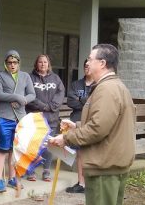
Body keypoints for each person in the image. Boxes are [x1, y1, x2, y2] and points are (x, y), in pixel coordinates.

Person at [49, 44, 135, 205]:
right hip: (110, 165)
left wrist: (66, 138)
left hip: (104, 168)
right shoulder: (115, 87)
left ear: (102, 63)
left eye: (90, 59)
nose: (87, 63)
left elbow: (97, 129)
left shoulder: (107, 89)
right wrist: (77, 126)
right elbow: (107, 123)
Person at [0, 50, 35, 192]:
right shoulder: (0, 76)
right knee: (2, 148)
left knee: (15, 150)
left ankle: (12, 178)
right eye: (9, 62)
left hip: (20, 117)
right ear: (6, 63)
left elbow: (31, 94)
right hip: (5, 116)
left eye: (15, 62)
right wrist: (16, 97)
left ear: (18, 63)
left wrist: (24, 100)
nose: (12, 65)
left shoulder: (25, 76)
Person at [25, 54, 64, 182]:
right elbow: (29, 95)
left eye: (45, 62)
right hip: (35, 117)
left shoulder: (56, 78)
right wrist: (43, 106)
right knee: (34, 144)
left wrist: (51, 106)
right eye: (40, 62)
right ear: (36, 64)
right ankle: (32, 170)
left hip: (51, 118)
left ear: (49, 64)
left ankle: (46, 170)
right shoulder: (30, 78)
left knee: (48, 144)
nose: (42, 64)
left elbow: (60, 93)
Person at [64, 60, 93, 194]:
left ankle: (90, 184)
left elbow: (96, 104)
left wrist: (81, 100)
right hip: (76, 120)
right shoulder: (76, 84)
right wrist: (86, 102)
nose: (87, 68)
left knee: (92, 153)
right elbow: (71, 101)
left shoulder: (99, 85)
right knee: (80, 153)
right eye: (85, 66)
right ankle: (81, 183)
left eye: (89, 66)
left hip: (92, 122)